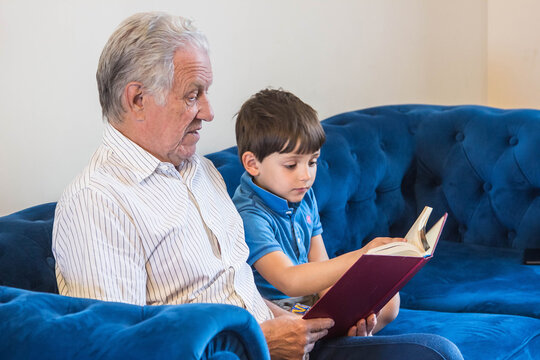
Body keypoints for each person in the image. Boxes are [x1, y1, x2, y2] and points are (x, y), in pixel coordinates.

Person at [52, 11, 463, 360]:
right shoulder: (97, 202)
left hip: (279, 343)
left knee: (436, 351)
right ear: (137, 99)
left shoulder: (199, 172)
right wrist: (257, 340)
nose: (209, 113)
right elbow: (116, 348)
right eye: (193, 95)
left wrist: (295, 323)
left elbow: (235, 287)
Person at [232, 88, 400, 335]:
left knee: (389, 302)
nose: (306, 176)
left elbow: (319, 261)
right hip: (279, 313)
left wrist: (346, 306)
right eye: (291, 165)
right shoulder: (250, 215)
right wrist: (362, 256)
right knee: (302, 329)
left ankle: (348, 336)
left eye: (312, 162)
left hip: (310, 301)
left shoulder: (302, 193)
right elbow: (288, 280)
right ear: (252, 164)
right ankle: (335, 342)